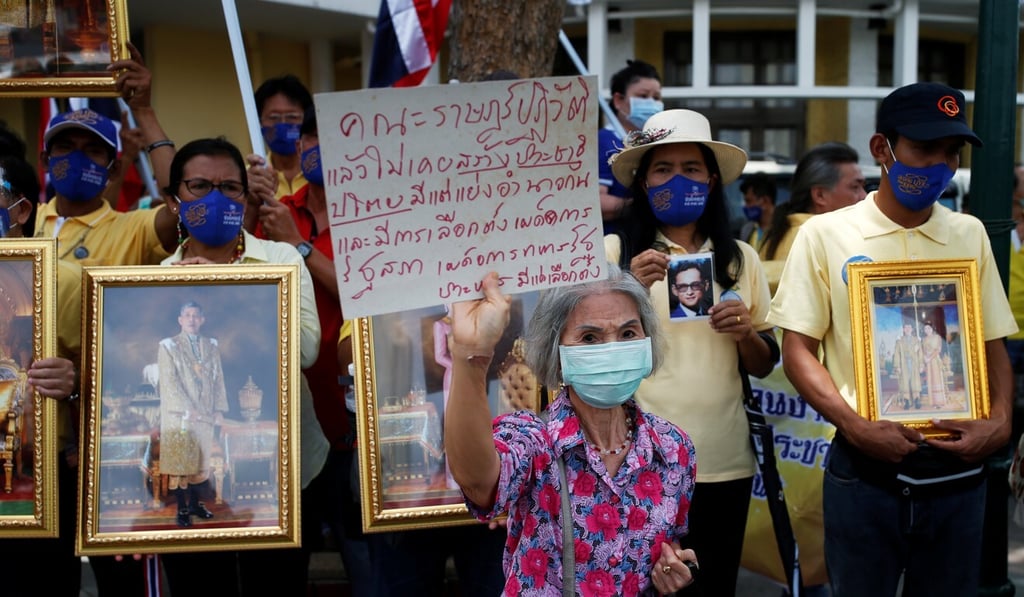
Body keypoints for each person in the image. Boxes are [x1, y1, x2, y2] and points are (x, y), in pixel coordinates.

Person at [769, 82, 1015, 595]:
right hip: (864, 477)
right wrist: (855, 427)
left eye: (951, 152)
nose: (940, 165)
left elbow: (993, 343)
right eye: (925, 149)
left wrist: (1000, 422)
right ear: (883, 149)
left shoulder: (968, 234)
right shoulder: (826, 235)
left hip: (958, 476)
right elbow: (797, 351)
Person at [445, 265, 699, 596]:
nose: (611, 349)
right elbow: (478, 482)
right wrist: (472, 358)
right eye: (590, 337)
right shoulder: (534, 441)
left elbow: (669, 540)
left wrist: (674, 570)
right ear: (557, 351)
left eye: (627, 334)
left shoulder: (673, 448)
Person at [606, 108, 778, 596]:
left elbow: (764, 362)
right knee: (636, 585)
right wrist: (625, 292)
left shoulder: (740, 259)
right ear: (642, 183)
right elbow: (583, 356)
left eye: (691, 169)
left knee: (713, 585)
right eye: (662, 169)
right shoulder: (615, 254)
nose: (677, 181)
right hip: (637, 461)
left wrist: (746, 334)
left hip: (724, 459)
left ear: (712, 179)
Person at [158, 137, 329, 595]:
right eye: (199, 186)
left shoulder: (280, 258)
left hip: (281, 468)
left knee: (274, 585)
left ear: (245, 195)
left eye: (230, 188)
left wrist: (224, 293)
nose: (216, 198)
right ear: (174, 201)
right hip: (196, 466)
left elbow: (306, 350)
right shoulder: (157, 278)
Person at [252, 106, 373, 593]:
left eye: (334, 139)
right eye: (310, 140)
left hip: (356, 423)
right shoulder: (274, 212)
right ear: (297, 148)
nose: (319, 150)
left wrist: (299, 245)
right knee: (285, 574)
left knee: (368, 566)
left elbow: (365, 292)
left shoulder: (375, 212)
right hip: (294, 425)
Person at [0, 153, 82, 597]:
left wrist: (74, 385)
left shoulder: (63, 280)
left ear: (21, 209)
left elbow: (109, 379)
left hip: (41, 483)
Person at [758, 142, 867, 293]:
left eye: (863, 187)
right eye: (855, 187)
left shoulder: (777, 234)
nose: (864, 196)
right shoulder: (823, 239)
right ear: (819, 195)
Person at [158, 300, 228, 528]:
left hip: (205, 414)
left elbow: (218, 379)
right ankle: (182, 508)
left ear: (202, 320)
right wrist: (188, 409)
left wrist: (218, 409)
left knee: (200, 464)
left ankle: (196, 505)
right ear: (180, 320)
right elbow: (169, 382)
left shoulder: (211, 345)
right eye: (187, 315)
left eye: (196, 315)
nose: (191, 319)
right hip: (181, 417)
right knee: (181, 465)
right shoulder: (168, 346)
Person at [599, 59, 663, 234]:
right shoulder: (604, 141)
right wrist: (641, 206)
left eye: (656, 98)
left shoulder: (657, 144)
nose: (652, 103)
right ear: (618, 100)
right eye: (643, 96)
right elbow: (594, 203)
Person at [254, 74, 314, 199]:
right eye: (274, 117)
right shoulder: (253, 177)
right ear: (258, 121)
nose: (282, 124)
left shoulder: (326, 174)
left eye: (292, 117)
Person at [737, 172, 776, 250]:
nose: (746, 206)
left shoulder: (785, 230)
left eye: (749, 201)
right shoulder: (747, 230)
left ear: (765, 201)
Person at [891, 322, 924, 410]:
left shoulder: (916, 340)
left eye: (909, 327)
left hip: (914, 364)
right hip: (904, 364)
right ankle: (907, 401)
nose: (908, 329)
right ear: (903, 329)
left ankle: (917, 400)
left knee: (915, 381)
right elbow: (897, 354)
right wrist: (897, 366)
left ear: (912, 329)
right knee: (905, 382)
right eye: (906, 328)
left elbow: (920, 353)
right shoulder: (899, 341)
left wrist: (921, 365)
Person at [920, 322, 948, 409]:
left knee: (937, 380)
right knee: (930, 381)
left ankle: (939, 402)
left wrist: (930, 357)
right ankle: (933, 402)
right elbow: (923, 350)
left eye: (928, 328)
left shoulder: (937, 337)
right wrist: (925, 357)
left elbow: (938, 350)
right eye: (925, 329)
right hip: (928, 363)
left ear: (932, 328)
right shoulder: (923, 340)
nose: (927, 330)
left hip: (935, 361)